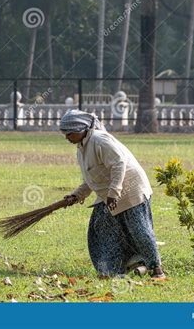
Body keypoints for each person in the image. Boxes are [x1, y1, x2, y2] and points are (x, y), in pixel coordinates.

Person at [60, 109, 165, 278]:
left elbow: (119, 164)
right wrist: (77, 195)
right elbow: (93, 177)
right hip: (109, 193)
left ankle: (156, 269)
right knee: (101, 228)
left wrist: (114, 192)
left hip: (131, 189)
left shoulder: (99, 140)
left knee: (139, 230)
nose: (67, 138)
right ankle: (112, 269)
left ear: (81, 130)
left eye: (69, 134)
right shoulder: (82, 148)